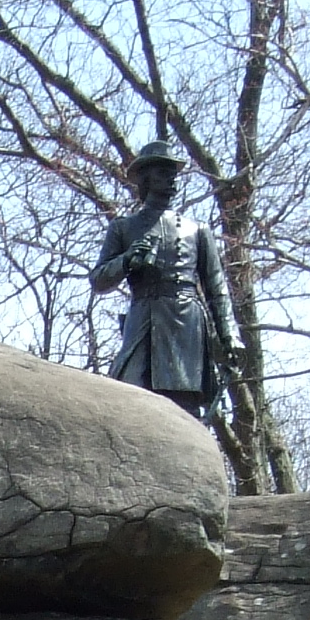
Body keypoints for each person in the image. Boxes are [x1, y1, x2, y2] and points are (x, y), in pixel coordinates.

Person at [89, 137, 238, 421]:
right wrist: (127, 260)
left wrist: (229, 336)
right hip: (143, 319)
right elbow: (98, 280)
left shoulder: (197, 230)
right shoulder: (124, 228)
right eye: (163, 173)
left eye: (174, 173)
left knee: (184, 407)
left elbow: (216, 287)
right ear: (145, 178)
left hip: (185, 324)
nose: (172, 179)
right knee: (130, 396)